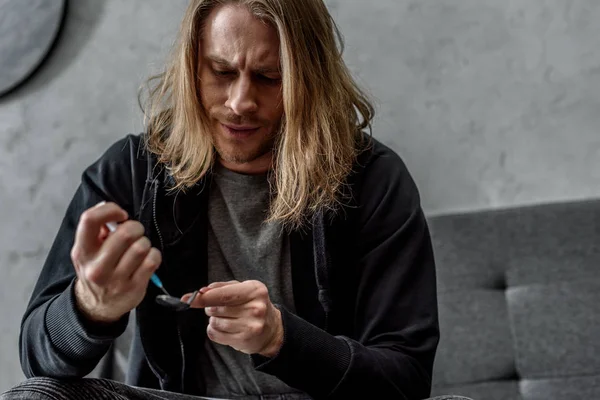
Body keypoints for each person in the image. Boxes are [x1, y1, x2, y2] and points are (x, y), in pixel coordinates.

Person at [1, 0, 442, 399]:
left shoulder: (373, 178)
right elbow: (38, 361)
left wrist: (280, 339)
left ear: (310, 79)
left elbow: (406, 379)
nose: (240, 102)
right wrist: (90, 306)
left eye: (269, 78)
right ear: (192, 69)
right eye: (222, 72)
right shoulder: (132, 170)